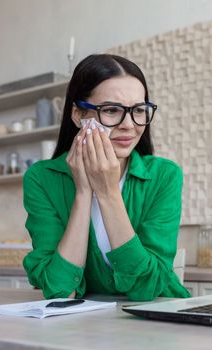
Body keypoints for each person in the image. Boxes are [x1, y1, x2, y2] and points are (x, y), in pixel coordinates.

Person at [23, 54, 190, 301]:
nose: (129, 125)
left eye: (139, 110)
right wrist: (82, 193)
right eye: (112, 110)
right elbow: (60, 290)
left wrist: (107, 192)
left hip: (159, 318)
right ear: (79, 115)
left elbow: (146, 288)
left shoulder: (164, 176)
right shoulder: (42, 178)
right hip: (86, 328)